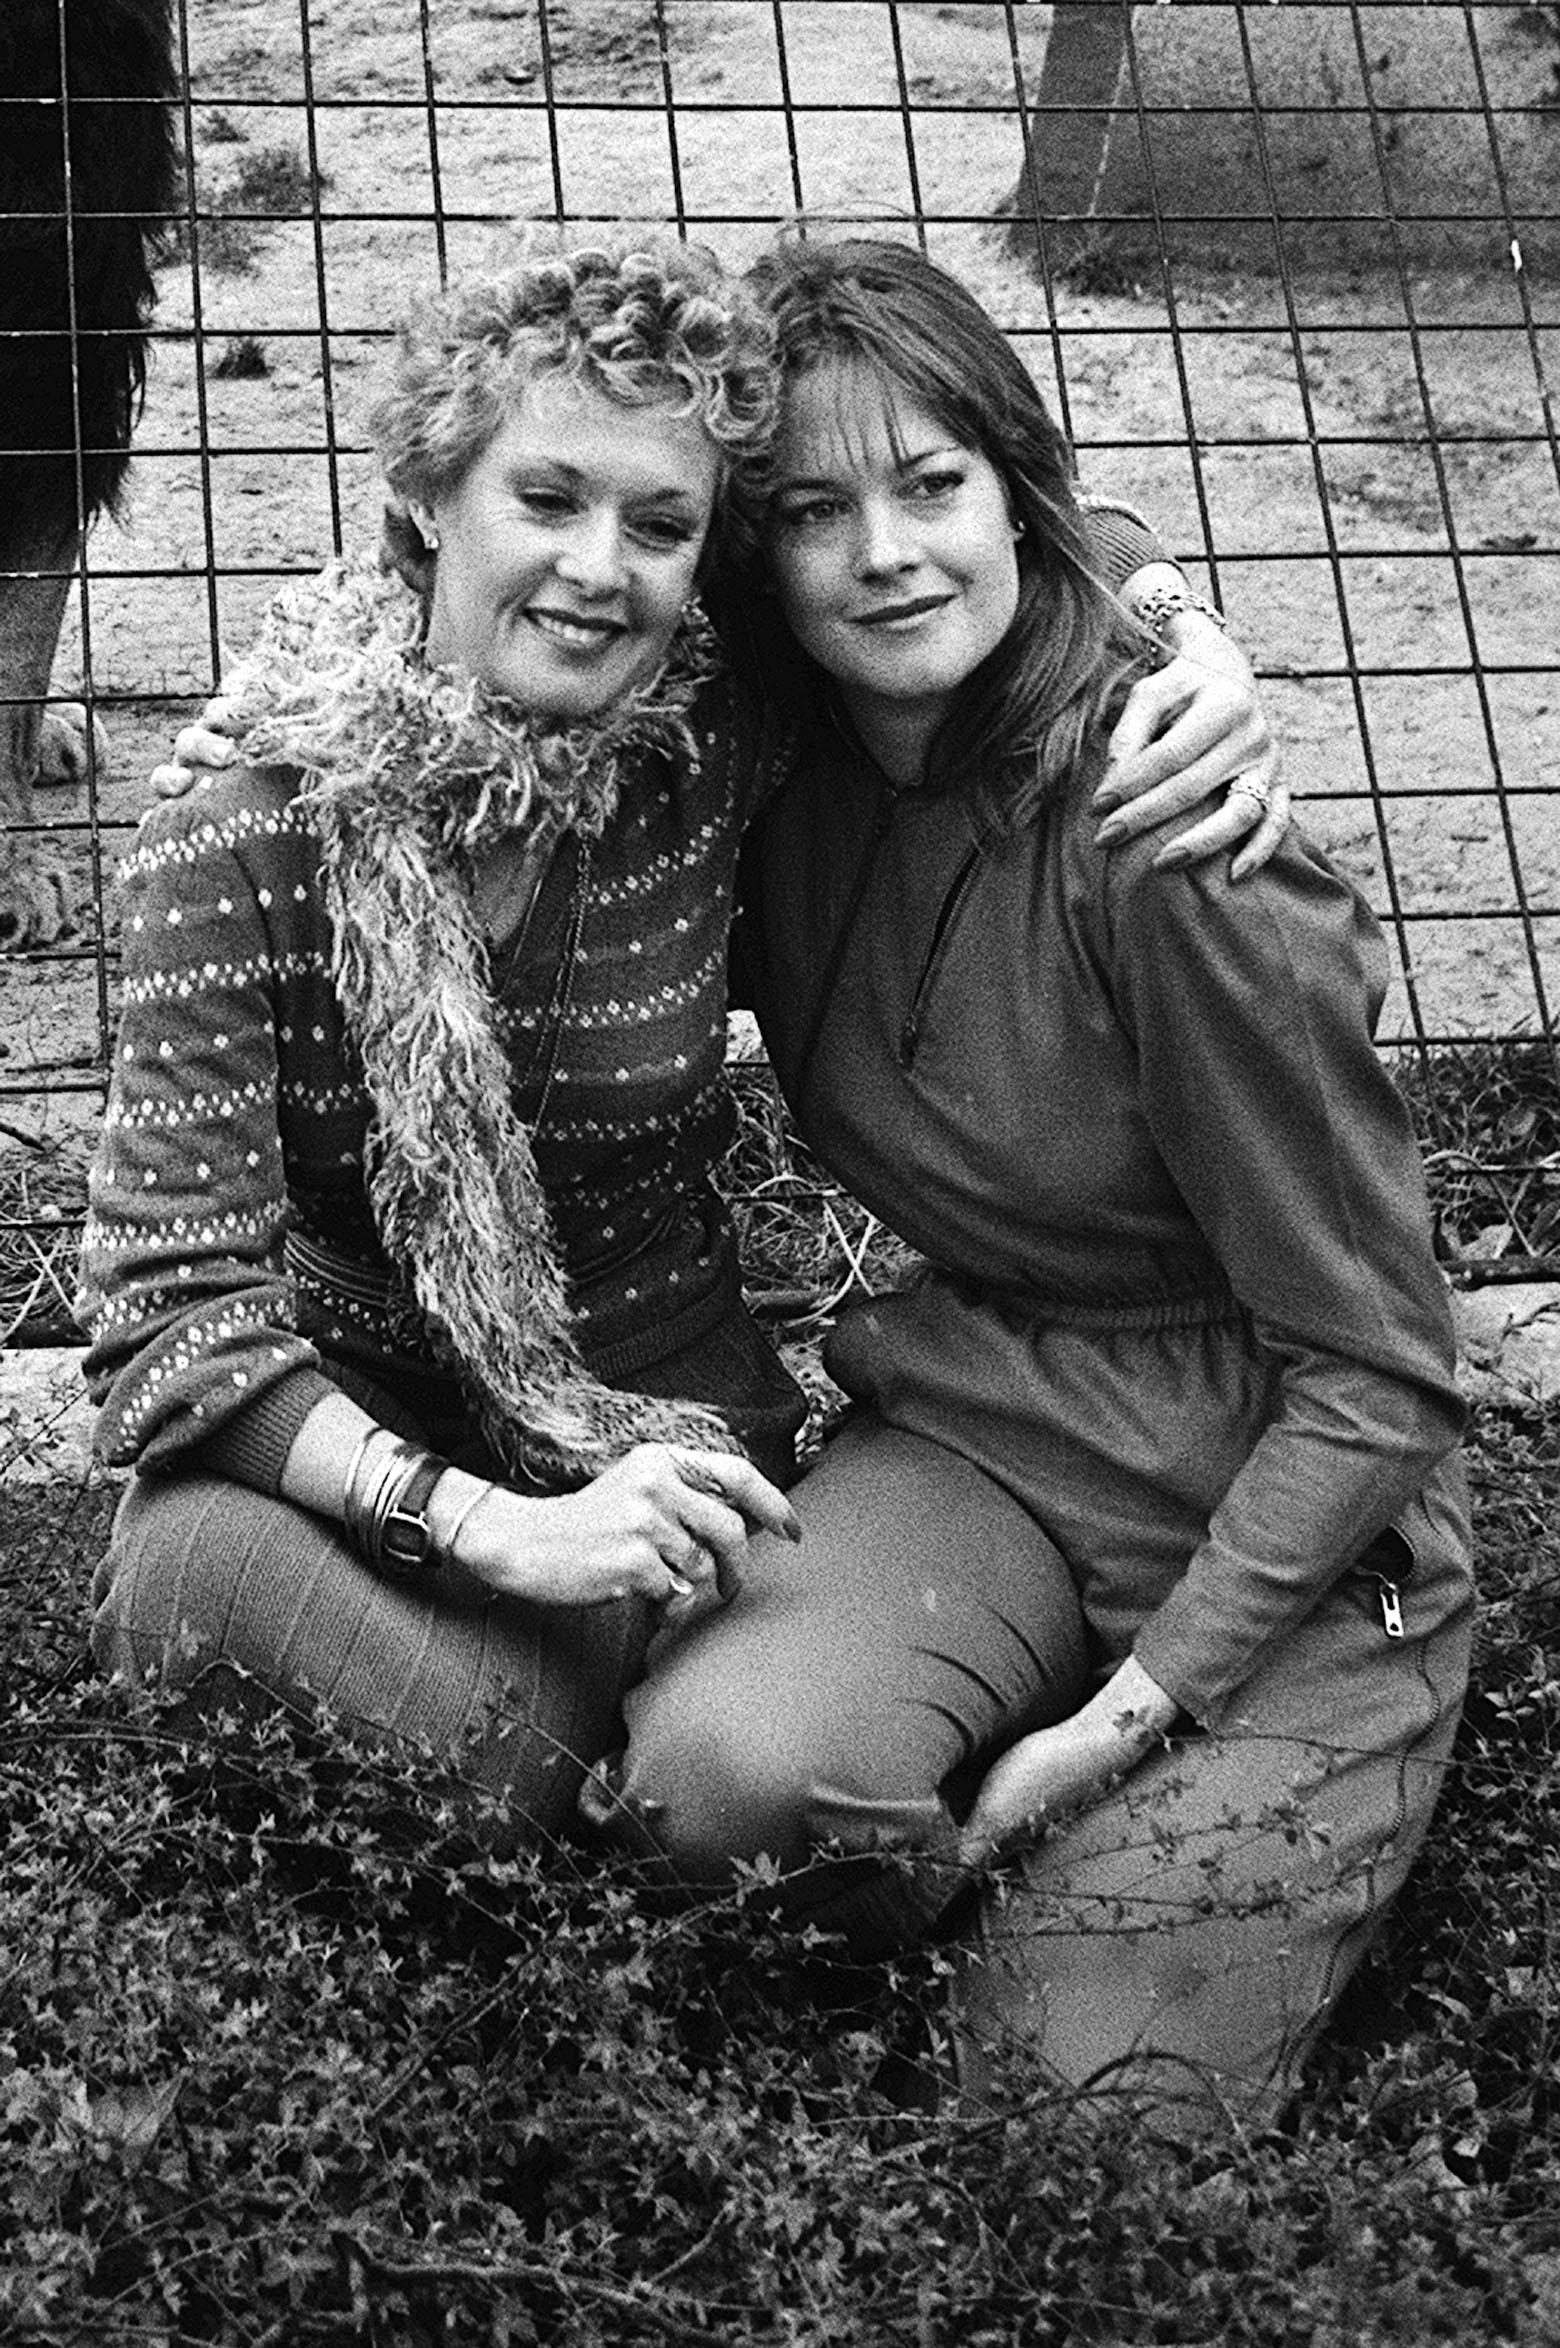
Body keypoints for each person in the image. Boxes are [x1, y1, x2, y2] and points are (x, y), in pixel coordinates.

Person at [84, 237, 1277, 1851]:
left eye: (661, 526)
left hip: (662, 1451)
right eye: (548, 499)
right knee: (191, 1573)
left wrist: (1181, 628)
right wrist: (489, 1530)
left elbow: (955, 532)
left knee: (682, 1759)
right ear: (432, 496)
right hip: (355, 1458)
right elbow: (171, 1322)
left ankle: (623, 1774)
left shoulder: (710, 739)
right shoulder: (229, 837)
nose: (600, 569)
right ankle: (576, 1775)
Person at [609, 238, 1475, 2124]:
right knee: (716, 1794)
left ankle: (1139, 1877)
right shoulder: (776, 767)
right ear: (757, 562)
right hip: (990, 1420)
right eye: (815, 513)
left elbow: (1386, 1366)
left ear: (1015, 491)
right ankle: (938, 1852)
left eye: (933, 488)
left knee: (1074, 2123)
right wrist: (283, 743)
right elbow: (528, 546)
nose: (888, 554)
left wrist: (1111, 1729)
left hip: (1288, 1513)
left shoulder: (1171, 839)